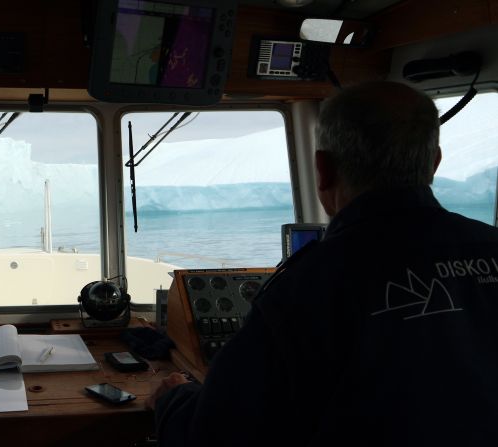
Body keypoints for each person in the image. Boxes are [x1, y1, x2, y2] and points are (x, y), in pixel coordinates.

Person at [147, 81, 498, 446]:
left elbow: (215, 433)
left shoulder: (308, 287)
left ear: (323, 169)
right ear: (435, 162)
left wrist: (173, 399)